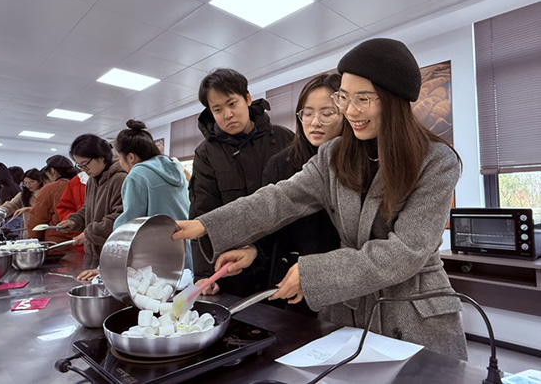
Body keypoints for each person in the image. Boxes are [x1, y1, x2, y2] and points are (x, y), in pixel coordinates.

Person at [173, 38, 468, 360]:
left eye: (363, 99)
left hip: (412, 313)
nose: (350, 111)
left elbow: (406, 251)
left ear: (394, 99)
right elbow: (281, 198)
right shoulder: (334, 154)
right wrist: (205, 225)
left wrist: (313, 274)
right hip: (349, 310)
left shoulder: (436, 161)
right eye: (344, 97)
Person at [189, 68, 294, 297]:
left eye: (232, 104)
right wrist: (203, 274)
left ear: (247, 98)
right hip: (232, 269)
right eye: (218, 109)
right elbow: (202, 213)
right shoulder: (206, 153)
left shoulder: (284, 138)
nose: (227, 114)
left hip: (283, 260)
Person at [261, 73, 344, 316]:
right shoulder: (280, 164)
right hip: (290, 282)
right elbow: (266, 221)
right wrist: (251, 249)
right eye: (307, 113)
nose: (315, 122)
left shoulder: (356, 164)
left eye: (327, 113)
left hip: (341, 283)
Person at [77, 120, 193, 280]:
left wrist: (104, 267)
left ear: (131, 157)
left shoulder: (137, 175)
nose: (120, 163)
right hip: (185, 251)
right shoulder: (174, 169)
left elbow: (127, 226)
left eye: (120, 158)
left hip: (159, 260)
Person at [58, 134, 126, 260]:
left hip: (113, 253)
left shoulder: (120, 179)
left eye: (85, 164)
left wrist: (91, 233)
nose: (83, 170)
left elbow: (121, 217)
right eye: (79, 166)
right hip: (94, 251)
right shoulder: (92, 180)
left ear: (101, 157)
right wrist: (74, 221)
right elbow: (88, 208)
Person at [27, 156, 78, 243]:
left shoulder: (51, 189)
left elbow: (38, 217)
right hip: (81, 239)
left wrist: (34, 235)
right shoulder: (81, 185)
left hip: (57, 241)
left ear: (52, 171)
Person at [0, 168, 43, 239]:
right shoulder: (23, 195)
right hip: (27, 233)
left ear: (39, 181)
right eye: (26, 183)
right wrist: (0, 211)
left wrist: (29, 209)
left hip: (43, 230)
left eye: (32, 182)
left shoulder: (46, 193)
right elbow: (11, 205)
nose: (28, 185)